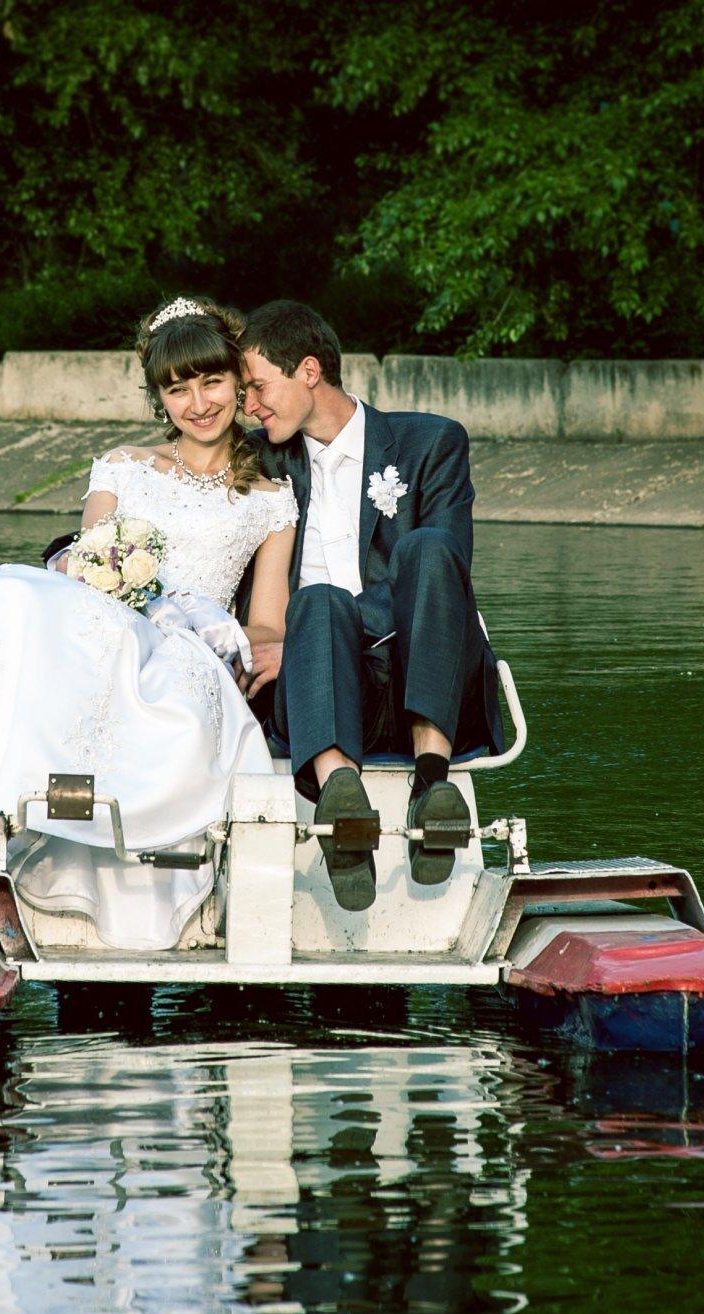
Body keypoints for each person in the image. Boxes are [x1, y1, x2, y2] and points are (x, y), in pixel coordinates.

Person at [0, 297, 297, 951]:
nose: (198, 403)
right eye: (177, 389)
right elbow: (89, 567)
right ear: (159, 398)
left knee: (61, 621)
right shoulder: (122, 466)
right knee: (8, 592)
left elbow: (266, 623)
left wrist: (246, 648)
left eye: (211, 382)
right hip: (110, 621)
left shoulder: (269, 500)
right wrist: (112, 577)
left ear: (238, 381)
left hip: (187, 648)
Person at [236, 300, 504, 913]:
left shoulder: (431, 442)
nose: (249, 405)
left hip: (424, 674)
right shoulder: (260, 458)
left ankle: (432, 786)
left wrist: (307, 640)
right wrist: (92, 553)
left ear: (309, 370)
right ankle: (343, 806)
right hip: (318, 689)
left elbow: (447, 575)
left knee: (428, 548)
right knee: (319, 604)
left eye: (258, 386)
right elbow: (176, 488)